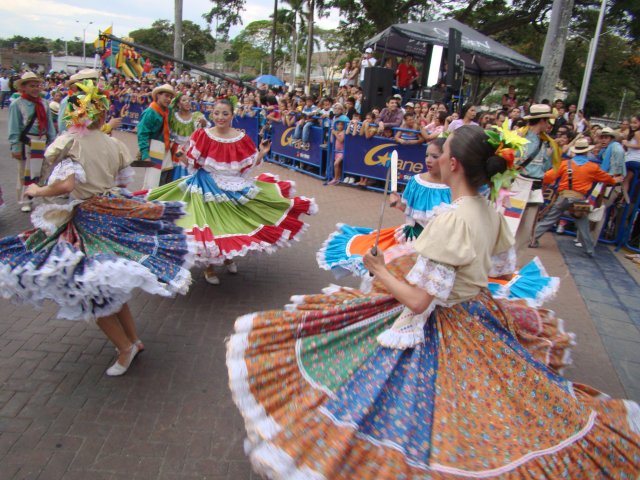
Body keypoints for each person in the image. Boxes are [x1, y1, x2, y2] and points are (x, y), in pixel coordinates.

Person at [227, 125, 639, 478]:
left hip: (442, 325)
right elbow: (496, 266)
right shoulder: (489, 210)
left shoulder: (452, 219)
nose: (434, 159)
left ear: (453, 164)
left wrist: (380, 269)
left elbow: (420, 301)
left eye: (439, 154)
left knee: (406, 406)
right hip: (477, 314)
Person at [0, 80, 193, 376]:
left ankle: (125, 348)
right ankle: (133, 341)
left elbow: (66, 184)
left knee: (90, 291)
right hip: (110, 210)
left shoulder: (70, 142)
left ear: (75, 114)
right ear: (100, 115)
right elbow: (121, 181)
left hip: (88, 219)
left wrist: (37, 191)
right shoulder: (112, 142)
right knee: (107, 285)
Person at [146, 99, 317, 285]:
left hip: (233, 185)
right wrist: (182, 157)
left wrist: (261, 153)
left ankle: (227, 258)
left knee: (231, 224)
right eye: (217, 113)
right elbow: (193, 164)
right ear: (212, 115)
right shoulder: (202, 135)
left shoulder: (241, 137)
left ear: (232, 116)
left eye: (225, 113)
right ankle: (209, 267)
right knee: (211, 225)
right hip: (205, 185)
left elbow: (247, 166)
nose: (220, 117)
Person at [531, 138, 622, 256]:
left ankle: (533, 240)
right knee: (583, 225)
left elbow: (548, 176)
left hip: (563, 197)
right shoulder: (592, 167)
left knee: (549, 219)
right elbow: (607, 179)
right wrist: (615, 180)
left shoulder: (564, 164)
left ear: (575, 151)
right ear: (586, 152)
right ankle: (589, 250)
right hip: (580, 200)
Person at [7, 71, 56, 213]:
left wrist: (52, 141)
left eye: (37, 85)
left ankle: (47, 198)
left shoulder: (44, 103)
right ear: (24, 87)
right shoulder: (17, 104)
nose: (35, 88)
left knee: (44, 171)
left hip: (42, 140)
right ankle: (26, 199)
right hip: (27, 141)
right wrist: (15, 146)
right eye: (31, 85)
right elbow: (14, 127)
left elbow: (49, 125)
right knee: (25, 172)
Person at [136, 83, 176, 188]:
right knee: (152, 182)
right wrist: (145, 154)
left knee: (164, 179)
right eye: (166, 96)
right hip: (154, 150)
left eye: (170, 97)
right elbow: (142, 134)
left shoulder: (168, 111)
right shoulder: (150, 112)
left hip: (165, 149)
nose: (169, 99)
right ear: (158, 95)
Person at [168, 92, 210, 180]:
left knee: (188, 175)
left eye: (189, 100)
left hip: (191, 150)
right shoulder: (173, 117)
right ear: (178, 103)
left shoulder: (197, 115)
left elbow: (206, 129)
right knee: (174, 175)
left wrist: (203, 123)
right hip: (177, 150)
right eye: (184, 100)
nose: (187, 102)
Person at [325, 114, 349, 186]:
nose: (339, 126)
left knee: (336, 164)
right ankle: (337, 178)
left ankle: (335, 179)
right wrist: (332, 134)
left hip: (342, 152)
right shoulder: (336, 132)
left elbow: (341, 140)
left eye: (341, 125)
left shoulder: (344, 132)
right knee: (338, 165)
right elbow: (332, 141)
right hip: (336, 151)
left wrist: (335, 133)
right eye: (338, 124)